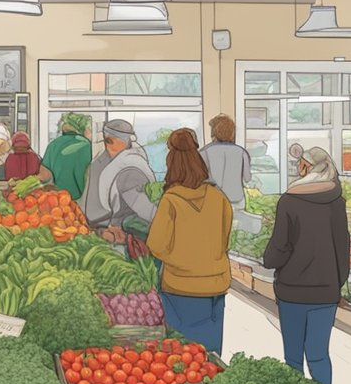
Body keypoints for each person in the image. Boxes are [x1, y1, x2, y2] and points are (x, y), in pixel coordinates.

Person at [263, 147, 350, 384]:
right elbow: (342, 246)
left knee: (293, 358)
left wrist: (269, 260)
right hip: (325, 292)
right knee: (319, 355)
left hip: (293, 290)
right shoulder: (336, 201)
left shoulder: (289, 200)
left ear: (306, 167)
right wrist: (337, 283)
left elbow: (280, 246)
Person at [146, 128, 233, 355]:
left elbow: (155, 244)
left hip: (181, 287)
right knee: (211, 357)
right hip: (216, 285)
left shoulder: (171, 200)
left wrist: (180, 258)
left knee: (184, 358)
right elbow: (225, 240)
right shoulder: (219, 197)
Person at [80, 119, 157, 235]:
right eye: (107, 141)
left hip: (117, 229)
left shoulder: (129, 168)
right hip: (107, 228)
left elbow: (147, 211)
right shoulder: (104, 162)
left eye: (110, 140)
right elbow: (150, 213)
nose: (107, 145)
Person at [200, 114, 252, 214]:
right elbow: (247, 178)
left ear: (213, 132)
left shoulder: (204, 152)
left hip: (212, 200)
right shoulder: (242, 152)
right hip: (237, 199)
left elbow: (200, 178)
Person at [42, 113, 92, 200]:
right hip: (82, 199)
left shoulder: (53, 144)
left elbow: (44, 174)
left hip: (58, 200)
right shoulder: (87, 145)